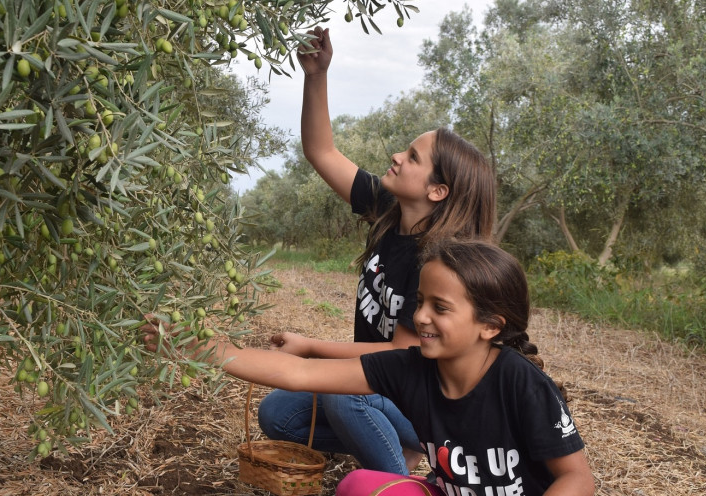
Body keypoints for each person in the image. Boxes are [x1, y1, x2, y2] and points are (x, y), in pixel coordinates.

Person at [142, 239, 595, 495]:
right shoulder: (411, 368)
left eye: (440, 308)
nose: (419, 317)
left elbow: (576, 477)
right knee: (357, 486)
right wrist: (209, 348)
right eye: (420, 301)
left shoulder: (519, 381)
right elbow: (299, 374)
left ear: (489, 326)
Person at [256, 26, 498, 476]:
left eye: (413, 157)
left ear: (438, 191)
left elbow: (397, 356)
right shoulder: (390, 208)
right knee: (278, 414)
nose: (397, 157)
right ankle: (392, 442)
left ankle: (397, 481)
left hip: (424, 400)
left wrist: (309, 347)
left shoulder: (436, 263)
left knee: (344, 395)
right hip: (382, 387)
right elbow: (321, 151)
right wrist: (316, 74)